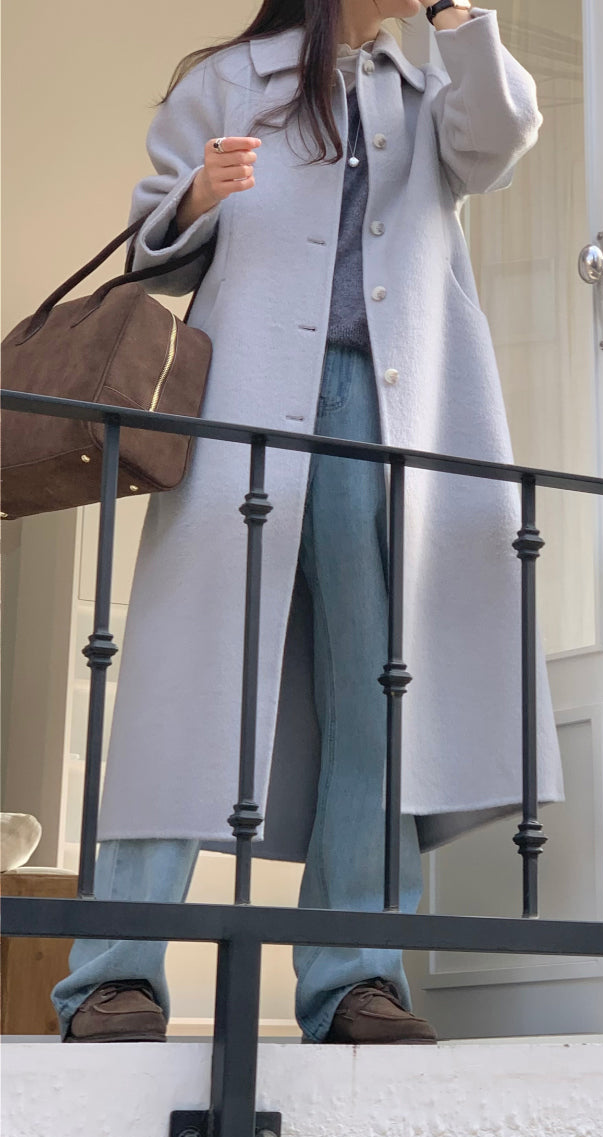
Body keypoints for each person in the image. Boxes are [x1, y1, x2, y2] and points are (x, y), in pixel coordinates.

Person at [51, 0, 564, 1045]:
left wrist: (461, 19)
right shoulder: (228, 79)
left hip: (385, 414)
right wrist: (196, 196)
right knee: (189, 684)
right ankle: (113, 975)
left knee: (377, 695)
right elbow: (153, 249)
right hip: (243, 406)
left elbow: (502, 136)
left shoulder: (432, 88)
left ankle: (355, 979)